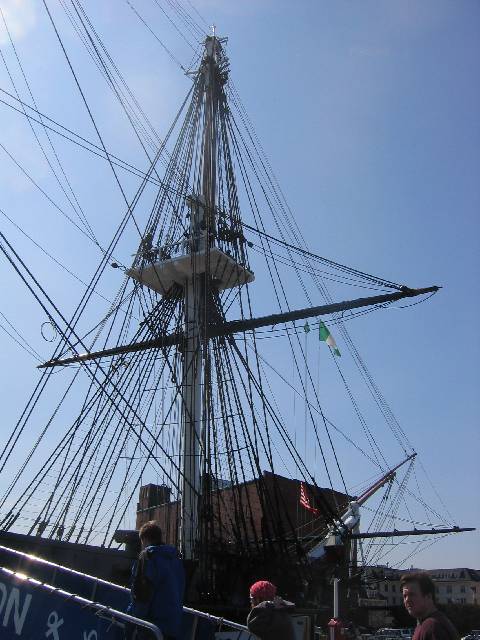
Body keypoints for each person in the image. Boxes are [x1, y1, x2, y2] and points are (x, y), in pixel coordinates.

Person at [127, 521, 185, 640]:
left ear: (145, 539)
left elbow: (141, 595)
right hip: (173, 627)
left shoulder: (148, 558)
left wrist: (131, 620)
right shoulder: (175, 560)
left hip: (152, 628)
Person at [400, 572, 459, 640]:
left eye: (412, 594)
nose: (407, 600)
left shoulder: (432, 627)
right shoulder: (433, 623)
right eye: (405, 596)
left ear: (428, 597)